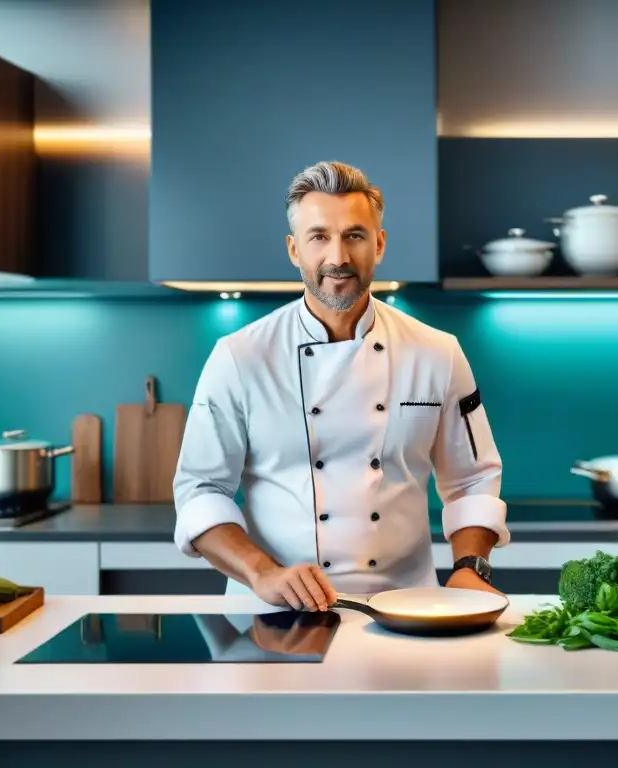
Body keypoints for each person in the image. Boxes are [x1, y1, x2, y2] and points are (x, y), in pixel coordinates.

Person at [172, 160, 509, 612]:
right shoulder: (239, 357)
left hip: (407, 607)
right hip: (274, 614)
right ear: (294, 250)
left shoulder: (438, 352)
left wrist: (470, 566)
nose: (338, 257)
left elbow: (472, 480)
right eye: (319, 237)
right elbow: (200, 490)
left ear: (380, 244)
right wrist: (262, 573)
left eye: (355, 235)